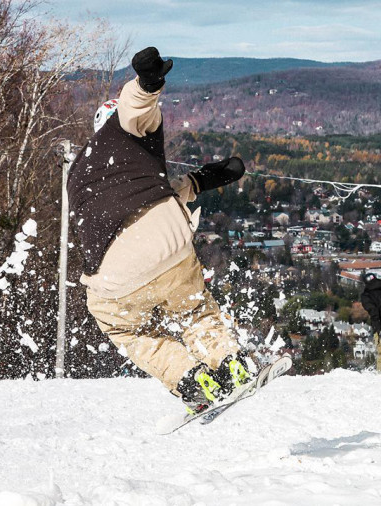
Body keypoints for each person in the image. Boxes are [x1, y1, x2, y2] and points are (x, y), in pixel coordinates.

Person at [68, 47, 256, 414]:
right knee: (195, 310)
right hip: (167, 241)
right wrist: (147, 81)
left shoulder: (79, 172)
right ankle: (230, 363)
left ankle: (188, 377)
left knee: (128, 331)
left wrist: (202, 179)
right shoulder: (123, 131)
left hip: (114, 274)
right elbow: (134, 106)